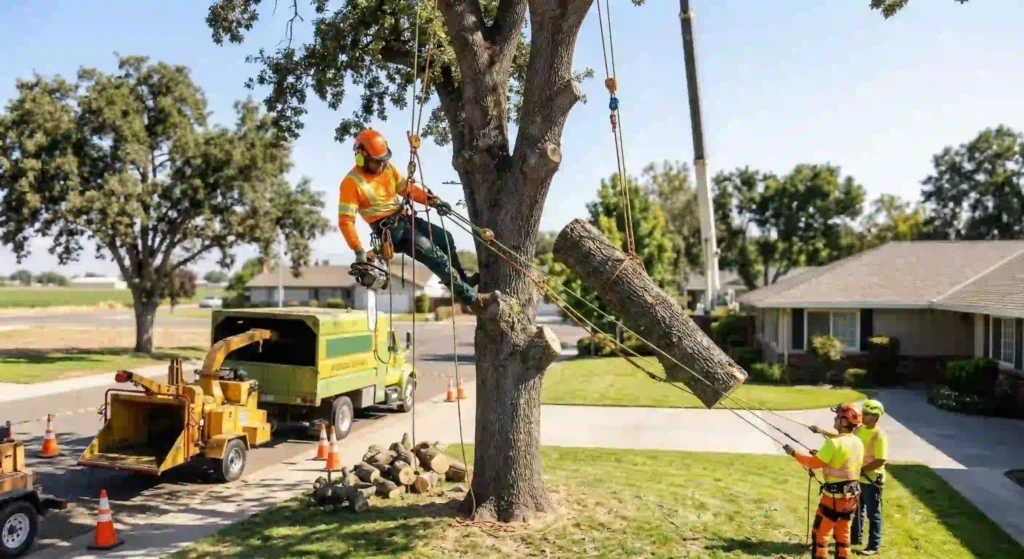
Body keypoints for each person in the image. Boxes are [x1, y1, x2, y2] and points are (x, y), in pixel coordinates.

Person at [338, 129, 493, 312]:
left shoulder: (387, 168)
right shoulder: (351, 182)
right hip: (392, 232)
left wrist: (432, 200)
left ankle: (463, 282)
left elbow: (406, 189)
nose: (381, 165)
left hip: (405, 219)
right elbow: (345, 220)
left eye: (383, 160)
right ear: (361, 157)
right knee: (436, 257)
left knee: (446, 239)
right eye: (376, 162)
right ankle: (474, 301)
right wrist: (358, 250)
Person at [784, 404, 864, 559]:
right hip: (851, 497)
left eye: (838, 417)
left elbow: (813, 463)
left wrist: (793, 453)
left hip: (833, 499)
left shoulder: (833, 443)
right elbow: (842, 460)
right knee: (843, 534)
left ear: (844, 421)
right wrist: (821, 454)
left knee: (820, 534)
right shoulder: (857, 442)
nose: (834, 419)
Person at [810, 400, 888, 556]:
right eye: (863, 413)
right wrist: (821, 431)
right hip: (856, 478)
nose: (863, 416)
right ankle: (854, 539)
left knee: (874, 513)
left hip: (872, 479)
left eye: (867, 414)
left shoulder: (879, 435)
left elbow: (881, 460)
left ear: (875, 417)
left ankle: (873, 545)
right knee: (858, 511)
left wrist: (860, 469)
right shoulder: (858, 429)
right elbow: (841, 437)